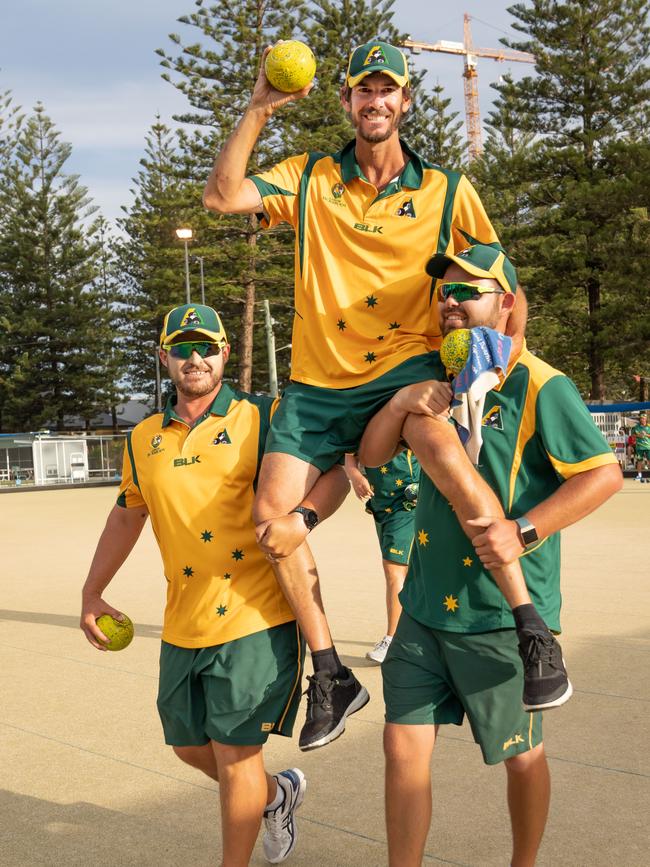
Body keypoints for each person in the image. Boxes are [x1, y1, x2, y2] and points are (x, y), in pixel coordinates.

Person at [203, 37, 537, 751]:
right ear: (347, 100)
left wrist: (503, 365)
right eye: (363, 89)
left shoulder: (448, 189)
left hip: (402, 371)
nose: (375, 100)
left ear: (406, 101)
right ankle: (331, 672)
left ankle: (531, 624)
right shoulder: (313, 177)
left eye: (388, 90)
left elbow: (506, 287)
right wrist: (261, 105)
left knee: (442, 454)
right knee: (270, 520)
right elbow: (222, 196)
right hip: (319, 384)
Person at [358, 248, 623, 867]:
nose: (451, 302)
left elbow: (603, 475)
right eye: (444, 294)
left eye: (468, 292)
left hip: (502, 617)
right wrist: (398, 406)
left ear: (506, 303)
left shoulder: (541, 382)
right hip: (423, 607)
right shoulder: (430, 374)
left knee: (519, 753)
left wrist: (525, 530)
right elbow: (371, 458)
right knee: (402, 751)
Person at [80, 303, 348, 867]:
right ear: (164, 358)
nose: (194, 358)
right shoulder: (143, 438)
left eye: (205, 347)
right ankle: (278, 796)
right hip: (183, 620)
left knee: (235, 753)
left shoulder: (264, 416)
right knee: (186, 746)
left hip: (258, 615)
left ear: (226, 352)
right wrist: (92, 591)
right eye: (181, 349)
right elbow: (128, 514)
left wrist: (304, 520)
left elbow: (336, 470)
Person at [344, 450, 420, 663]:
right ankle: (414, 637)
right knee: (405, 569)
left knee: (394, 569)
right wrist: (355, 476)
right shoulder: (362, 416)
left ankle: (393, 640)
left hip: (408, 499)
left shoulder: (405, 415)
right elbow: (350, 456)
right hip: (380, 503)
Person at [631, 410, 650, 480]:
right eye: (642, 418)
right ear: (640, 419)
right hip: (639, 447)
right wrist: (639, 435)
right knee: (639, 461)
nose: (643, 420)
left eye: (644, 418)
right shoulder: (636, 427)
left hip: (648, 447)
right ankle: (639, 475)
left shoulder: (649, 426)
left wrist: (646, 435)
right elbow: (632, 435)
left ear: (646, 419)